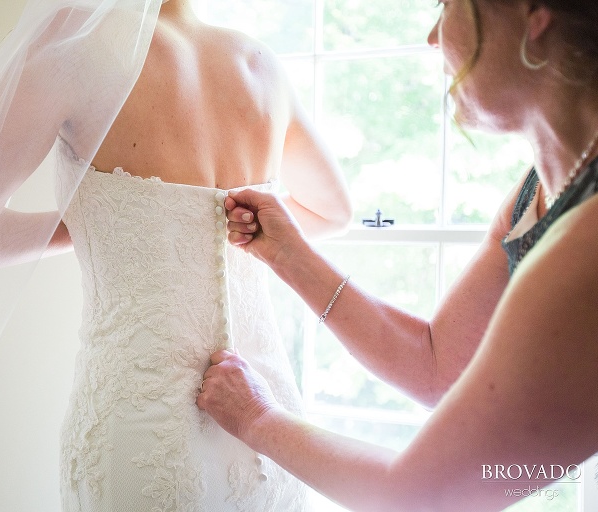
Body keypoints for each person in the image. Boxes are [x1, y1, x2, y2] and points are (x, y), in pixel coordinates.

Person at [0, 0, 350, 511]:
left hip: (143, 428)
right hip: (268, 420)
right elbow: (334, 211)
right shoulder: (260, 64)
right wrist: (250, 225)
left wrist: (84, 227)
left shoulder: (81, 43)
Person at [196, 0, 598, 510]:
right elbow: (437, 366)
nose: (433, 37)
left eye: (448, 5)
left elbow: (424, 496)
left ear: (531, 15)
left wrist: (258, 420)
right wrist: (289, 254)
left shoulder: (588, 240)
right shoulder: (537, 191)